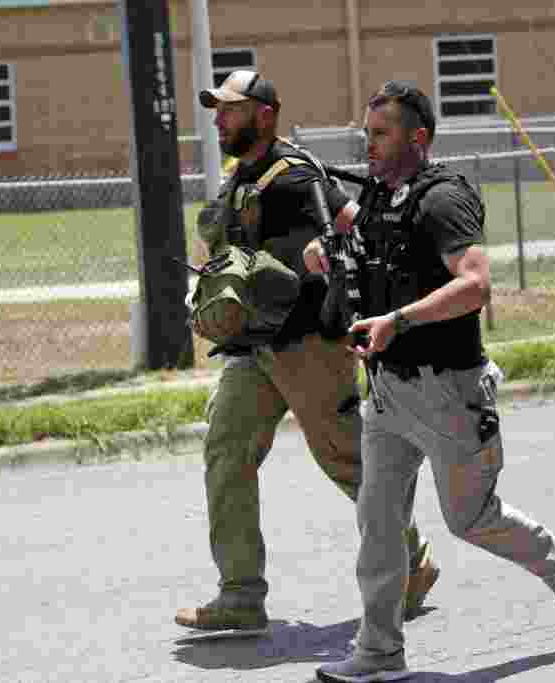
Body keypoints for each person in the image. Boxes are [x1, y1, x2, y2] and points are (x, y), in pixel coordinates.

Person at [305, 81, 555, 682]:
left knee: (471, 518)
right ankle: (380, 652)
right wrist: (327, 252)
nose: (369, 145)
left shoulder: (442, 199)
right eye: (365, 135)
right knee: (379, 520)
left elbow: (475, 285)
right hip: (388, 393)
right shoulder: (385, 201)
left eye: (380, 134)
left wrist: (398, 320)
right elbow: (365, 247)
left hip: (450, 393)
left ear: (418, 138)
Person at [175, 70, 440, 633]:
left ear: (264, 116)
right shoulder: (241, 175)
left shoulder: (294, 174)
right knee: (227, 452)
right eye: (216, 110)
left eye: (231, 109)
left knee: (347, 461)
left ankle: (411, 566)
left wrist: (332, 251)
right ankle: (241, 595)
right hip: (253, 347)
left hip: (309, 347)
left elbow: (361, 228)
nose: (219, 119)